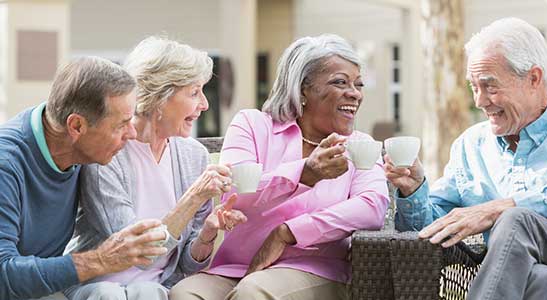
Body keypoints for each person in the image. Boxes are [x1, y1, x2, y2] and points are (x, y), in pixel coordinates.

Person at [385, 17, 547, 299]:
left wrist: (502, 209)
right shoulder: (471, 146)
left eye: (489, 86)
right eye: (474, 87)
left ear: (533, 79)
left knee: (515, 220)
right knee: (542, 282)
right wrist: (413, 189)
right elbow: (436, 227)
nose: (479, 101)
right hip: (528, 283)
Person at [170, 34, 390, 300]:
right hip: (236, 267)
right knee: (185, 293)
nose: (354, 93)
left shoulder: (359, 145)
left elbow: (372, 207)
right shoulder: (252, 125)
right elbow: (236, 194)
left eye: (358, 84)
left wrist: (288, 232)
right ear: (302, 90)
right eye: (340, 82)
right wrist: (304, 174)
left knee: (254, 293)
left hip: (315, 269)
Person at [63, 37, 247, 300]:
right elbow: (138, 253)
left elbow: (186, 265)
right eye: (194, 92)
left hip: (155, 284)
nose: (205, 104)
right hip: (96, 281)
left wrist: (207, 233)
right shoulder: (106, 153)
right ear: (160, 97)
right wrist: (194, 196)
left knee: (149, 292)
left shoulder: (194, 156)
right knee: (109, 294)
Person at [0, 57, 171, 300]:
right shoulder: (6, 164)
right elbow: (3, 274)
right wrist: (101, 260)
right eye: (121, 125)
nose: (131, 134)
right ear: (77, 126)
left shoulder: (77, 149)